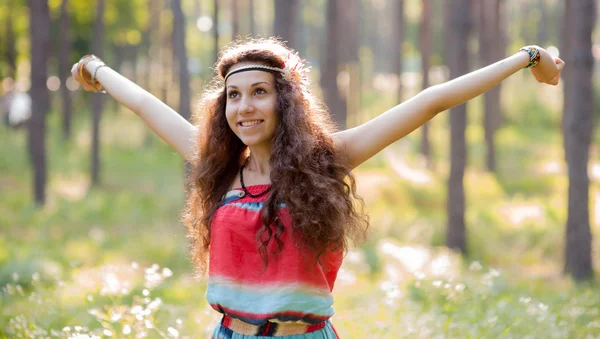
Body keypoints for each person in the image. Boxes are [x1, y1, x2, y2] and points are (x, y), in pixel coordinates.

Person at [71, 38, 564, 338]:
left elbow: (431, 101)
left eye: (259, 92)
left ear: (285, 100)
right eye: (234, 96)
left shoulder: (327, 161)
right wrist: (94, 69)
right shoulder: (217, 168)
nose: (244, 107)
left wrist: (528, 57)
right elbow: (142, 103)